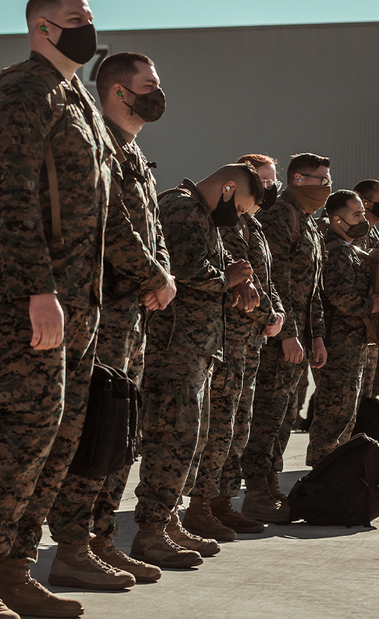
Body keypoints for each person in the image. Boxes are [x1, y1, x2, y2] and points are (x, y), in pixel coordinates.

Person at [0, 0, 115, 619]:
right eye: (74, 19)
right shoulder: (22, 90)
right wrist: (38, 291)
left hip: (76, 304)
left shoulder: (78, 98)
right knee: (21, 439)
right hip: (21, 301)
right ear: (42, 28)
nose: (86, 28)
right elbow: (9, 198)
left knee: (58, 441)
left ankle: (14, 569)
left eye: (89, 18)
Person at [45, 51, 174, 586]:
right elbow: (113, 226)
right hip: (103, 312)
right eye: (149, 83)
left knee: (121, 431)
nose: (158, 91)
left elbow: (151, 228)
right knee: (96, 426)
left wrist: (160, 272)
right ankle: (72, 546)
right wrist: (155, 276)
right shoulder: (101, 143)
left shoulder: (133, 151)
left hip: (131, 314)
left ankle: (99, 539)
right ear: (119, 91)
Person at [131, 163, 263, 568]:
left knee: (189, 439)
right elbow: (187, 270)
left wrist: (234, 284)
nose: (238, 217)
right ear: (227, 188)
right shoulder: (182, 208)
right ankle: (151, 531)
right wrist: (230, 277)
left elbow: (209, 274)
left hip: (196, 348)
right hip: (174, 348)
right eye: (240, 207)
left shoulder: (202, 215)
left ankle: (167, 519)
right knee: (171, 437)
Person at [185, 154, 285, 540]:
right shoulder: (220, 219)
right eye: (262, 180)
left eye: (272, 182)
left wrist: (276, 314)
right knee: (217, 427)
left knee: (237, 427)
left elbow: (262, 277)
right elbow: (230, 281)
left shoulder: (253, 224)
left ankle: (222, 500)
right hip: (227, 336)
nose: (268, 188)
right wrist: (264, 315)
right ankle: (200, 504)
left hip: (250, 343)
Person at [240, 153, 329, 523]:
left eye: (328, 177)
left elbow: (313, 288)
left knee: (285, 414)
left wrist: (318, 336)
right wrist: (290, 334)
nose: (327, 185)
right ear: (298, 179)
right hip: (279, 337)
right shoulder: (281, 215)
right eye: (320, 179)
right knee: (268, 414)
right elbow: (277, 280)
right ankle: (256, 491)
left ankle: (271, 483)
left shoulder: (307, 221)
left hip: (301, 338)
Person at [306, 190, 379, 466]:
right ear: (338, 220)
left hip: (351, 345)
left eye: (362, 213)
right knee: (335, 415)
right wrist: (370, 305)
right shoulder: (338, 252)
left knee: (345, 414)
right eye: (356, 214)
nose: (363, 219)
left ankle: (333, 473)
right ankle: (321, 475)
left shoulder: (350, 250)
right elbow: (338, 295)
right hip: (338, 346)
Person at [352, 179, 379, 401]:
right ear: (365, 203)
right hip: (354, 328)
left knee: (365, 399)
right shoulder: (355, 235)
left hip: (371, 328)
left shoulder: (375, 235)